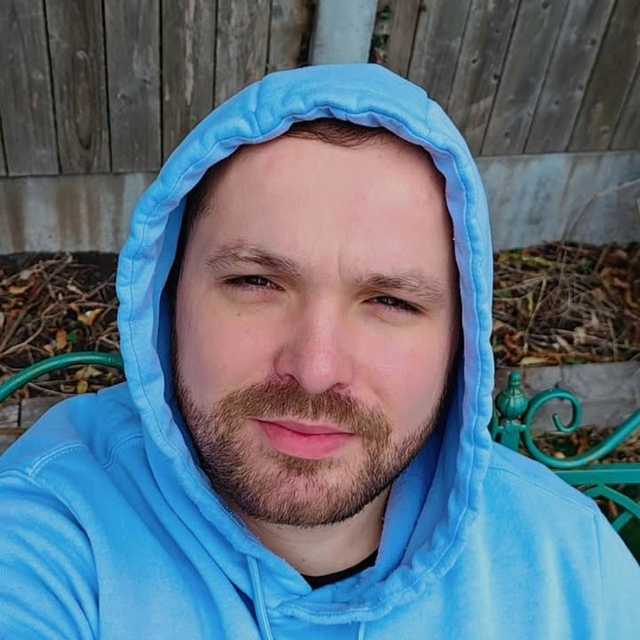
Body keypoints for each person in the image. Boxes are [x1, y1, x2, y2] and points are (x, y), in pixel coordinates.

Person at [0, 63, 637, 639]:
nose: (314, 370)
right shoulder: (53, 533)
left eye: (391, 301)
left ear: (460, 342)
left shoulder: (577, 572)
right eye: (255, 282)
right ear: (168, 301)